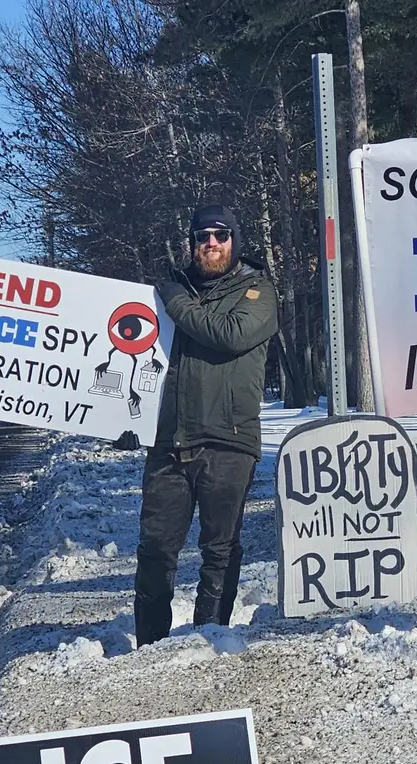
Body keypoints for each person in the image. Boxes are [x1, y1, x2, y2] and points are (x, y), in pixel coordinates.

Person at [134, 203, 280, 647]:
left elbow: (229, 335)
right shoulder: (170, 292)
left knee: (219, 551)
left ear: (235, 241)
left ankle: (206, 638)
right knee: (155, 550)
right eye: (202, 237)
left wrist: (175, 303)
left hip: (229, 441)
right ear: (192, 243)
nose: (211, 244)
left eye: (220, 236)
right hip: (169, 442)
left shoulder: (258, 292)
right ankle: (151, 645)